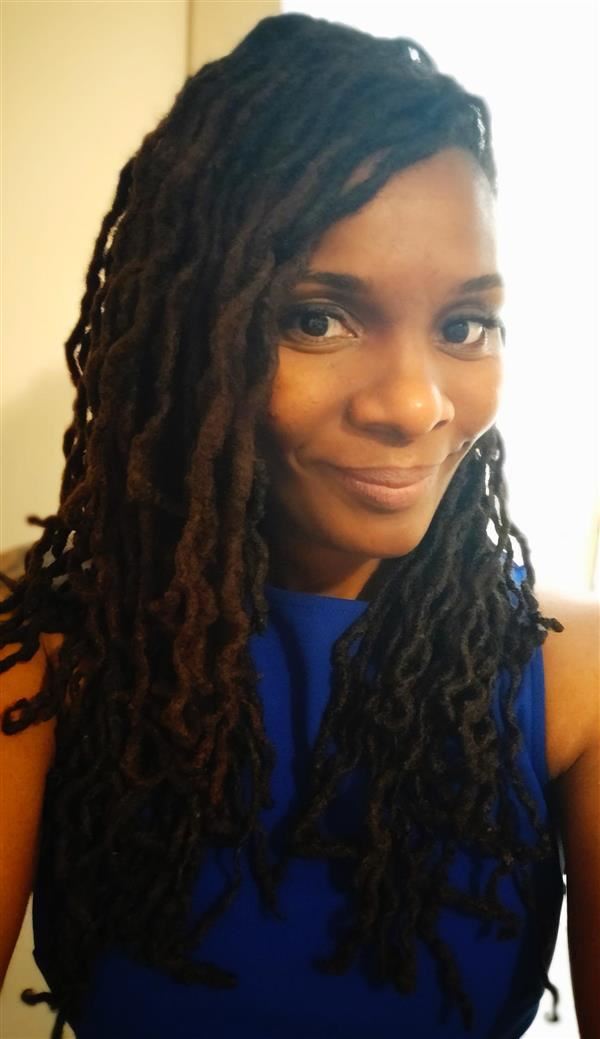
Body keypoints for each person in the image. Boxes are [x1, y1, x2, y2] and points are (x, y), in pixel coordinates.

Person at [0, 12, 598, 1039]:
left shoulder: (572, 677)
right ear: (195, 329)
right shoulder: (39, 646)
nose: (413, 405)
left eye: (464, 324)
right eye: (317, 317)